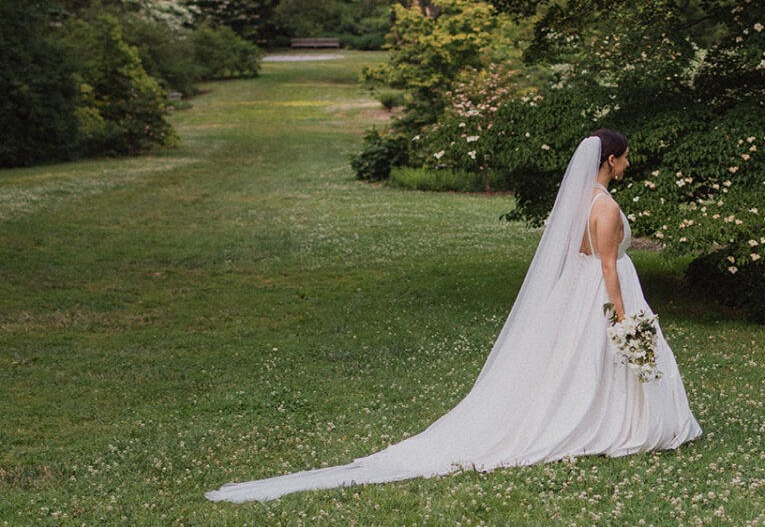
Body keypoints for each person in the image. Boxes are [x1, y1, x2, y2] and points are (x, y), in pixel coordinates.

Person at [206, 130, 700, 502]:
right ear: (611, 161)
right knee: (609, 356)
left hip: (576, 287)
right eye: (626, 156)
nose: (628, 162)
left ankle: (591, 409)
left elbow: (575, 253)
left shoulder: (578, 204)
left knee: (571, 363)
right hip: (604, 290)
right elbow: (609, 265)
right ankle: (616, 421)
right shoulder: (607, 208)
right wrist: (619, 315)